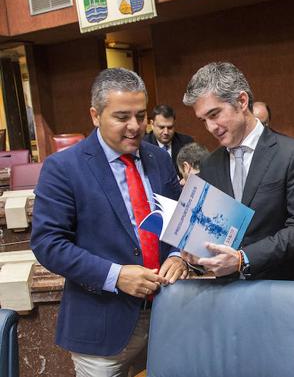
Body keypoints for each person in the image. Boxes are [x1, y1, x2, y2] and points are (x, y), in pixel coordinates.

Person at [30, 68, 187, 376]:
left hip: (168, 316)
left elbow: (178, 223)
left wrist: (178, 256)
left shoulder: (158, 158)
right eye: (122, 117)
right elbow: (48, 244)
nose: (135, 127)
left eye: (141, 116)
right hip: (101, 325)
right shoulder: (63, 168)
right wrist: (115, 276)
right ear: (95, 115)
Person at [181, 62, 294, 313]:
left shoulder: (293, 153)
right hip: (230, 301)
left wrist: (242, 259)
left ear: (242, 101)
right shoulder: (211, 164)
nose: (210, 127)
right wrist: (196, 257)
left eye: (214, 114)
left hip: (284, 295)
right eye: (204, 120)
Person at [143, 104, 195, 171]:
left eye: (170, 127)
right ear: (152, 124)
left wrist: (187, 178)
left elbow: (195, 169)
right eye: (161, 127)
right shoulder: (143, 145)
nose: (166, 132)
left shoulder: (187, 143)